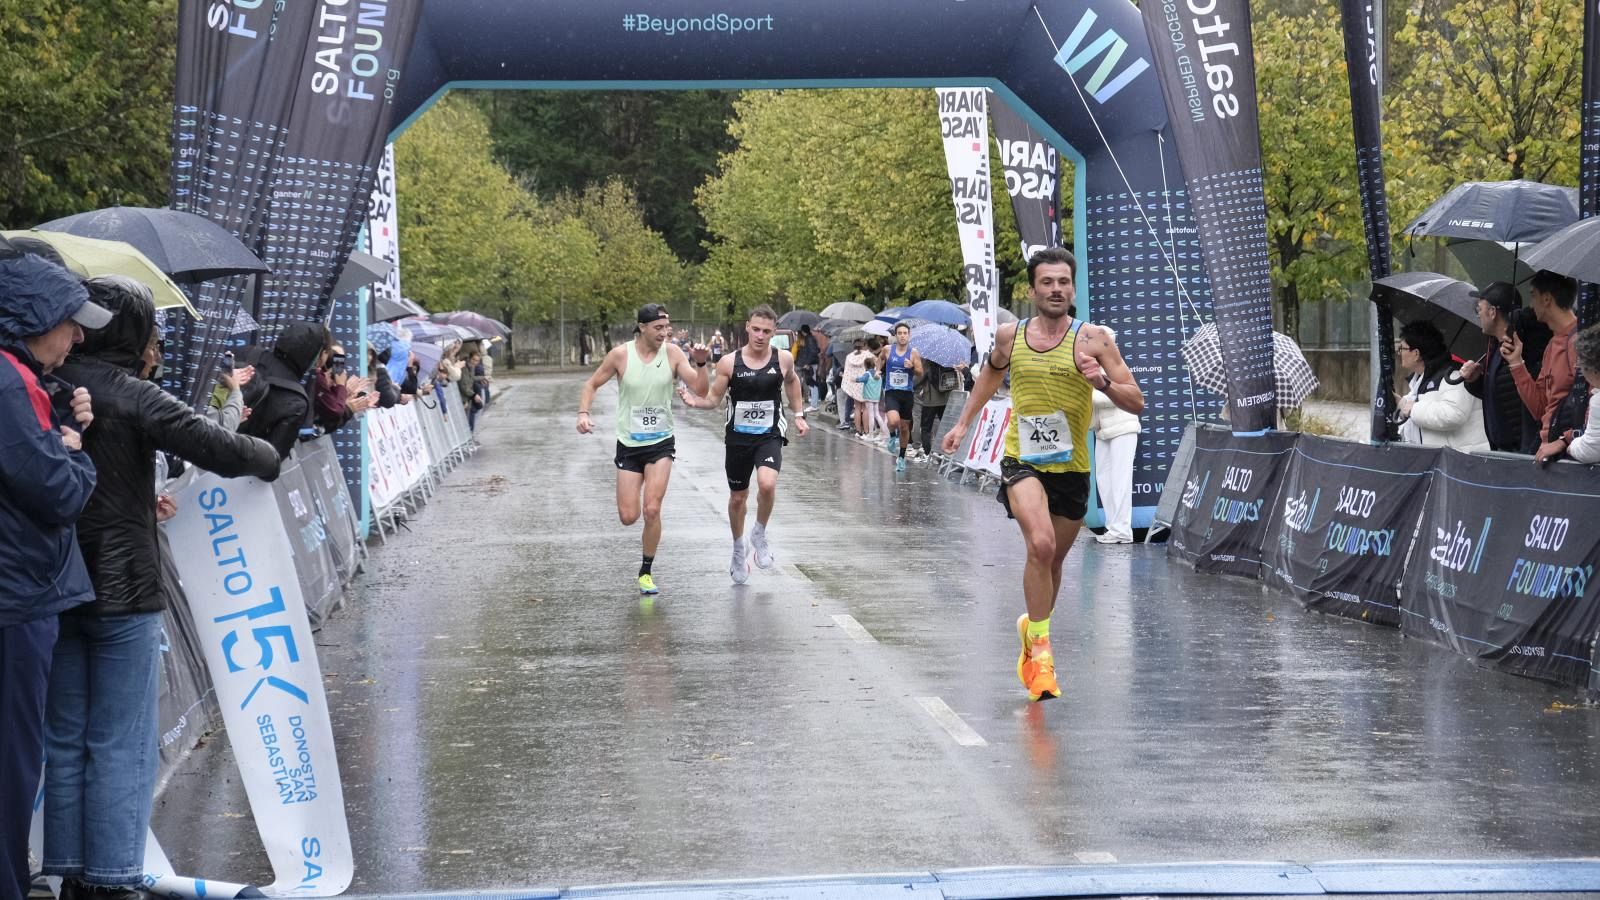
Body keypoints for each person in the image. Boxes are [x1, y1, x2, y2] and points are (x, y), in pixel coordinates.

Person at [46, 276, 280, 900]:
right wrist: (268, 454)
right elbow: (224, 448)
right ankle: (114, 877)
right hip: (124, 586)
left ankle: (67, 872)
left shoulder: (45, 386)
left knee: (67, 735)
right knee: (122, 738)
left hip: (58, 581)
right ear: (133, 332)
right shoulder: (134, 394)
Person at [941, 248, 1143, 702]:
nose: (1056, 289)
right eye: (1047, 282)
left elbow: (1137, 401)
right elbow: (990, 378)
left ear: (1073, 289)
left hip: (1071, 467)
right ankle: (1043, 657)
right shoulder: (1010, 337)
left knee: (1051, 565)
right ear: (1031, 290)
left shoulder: (1093, 340)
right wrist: (962, 424)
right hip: (1022, 460)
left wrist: (1102, 384)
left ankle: (1031, 633)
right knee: (1042, 544)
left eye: (1064, 282)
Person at [0, 251, 104, 900]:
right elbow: (58, 492)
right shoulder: (10, 383)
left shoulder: (21, 379)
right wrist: (74, 449)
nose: (78, 336)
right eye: (69, 321)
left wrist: (62, 427)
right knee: (12, 766)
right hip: (15, 600)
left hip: (17, 593)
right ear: (33, 317)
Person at [577, 303, 710, 595]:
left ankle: (646, 571)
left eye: (667, 327)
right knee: (629, 516)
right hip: (629, 443)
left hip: (661, 441)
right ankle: (641, 536)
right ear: (642, 327)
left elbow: (700, 389)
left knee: (652, 509)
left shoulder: (673, 353)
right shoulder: (620, 355)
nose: (665, 333)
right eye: (658, 328)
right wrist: (583, 413)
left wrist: (701, 364)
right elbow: (591, 384)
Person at [678, 306, 809, 583]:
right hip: (738, 437)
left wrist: (798, 414)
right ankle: (739, 548)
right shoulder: (729, 362)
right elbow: (713, 399)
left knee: (767, 484)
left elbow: (792, 382)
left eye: (767, 331)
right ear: (747, 327)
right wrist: (695, 402)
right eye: (756, 329)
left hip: (769, 434)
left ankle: (759, 533)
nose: (761, 336)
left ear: (774, 333)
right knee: (738, 498)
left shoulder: (782, 359)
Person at [1458, 282, 1540, 452]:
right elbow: (1499, 394)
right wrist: (1475, 381)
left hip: (1520, 452)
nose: (1478, 315)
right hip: (1502, 450)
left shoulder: (1521, 347)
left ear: (1493, 312)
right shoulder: (1495, 347)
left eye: (1479, 309)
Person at [1505, 270, 1579, 444]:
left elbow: (1594, 402)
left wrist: (1565, 441)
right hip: (1549, 450)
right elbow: (1539, 408)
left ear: (1546, 299)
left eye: (1533, 296)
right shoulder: (1552, 345)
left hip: (1571, 457)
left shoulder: (1580, 342)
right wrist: (1516, 363)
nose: (1531, 305)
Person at [237, 321, 329, 458]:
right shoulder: (297, 400)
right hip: (230, 467)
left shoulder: (248, 352)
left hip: (199, 438)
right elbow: (271, 462)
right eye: (324, 354)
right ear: (314, 355)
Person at [1394, 321, 1487, 451]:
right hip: (1444, 462)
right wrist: (1400, 403)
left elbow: (1454, 414)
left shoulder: (1454, 375)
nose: (1399, 353)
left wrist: (1413, 410)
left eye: (1401, 349)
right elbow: (1422, 403)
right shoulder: (1421, 380)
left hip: (1461, 462)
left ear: (1416, 353)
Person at [1090, 328, 1141, 544]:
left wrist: (1089, 393)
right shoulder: (1095, 367)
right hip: (1103, 430)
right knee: (1104, 480)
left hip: (1123, 428)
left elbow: (1119, 396)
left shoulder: (1117, 366)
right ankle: (1113, 527)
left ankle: (1122, 530)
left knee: (1120, 480)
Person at [1544, 324, 1600, 464]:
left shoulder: (1598, 401)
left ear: (1594, 371)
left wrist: (1571, 447)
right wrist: (1566, 439)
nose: (1578, 368)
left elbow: (1590, 450)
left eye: (1580, 365)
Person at [877, 322, 924, 472]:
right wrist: (877, 371)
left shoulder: (913, 352)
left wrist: (912, 367)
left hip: (907, 394)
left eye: (905, 333)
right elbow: (880, 360)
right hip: (891, 392)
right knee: (893, 420)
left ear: (909, 335)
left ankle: (901, 457)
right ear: (896, 335)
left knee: (904, 428)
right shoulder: (887, 349)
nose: (902, 336)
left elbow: (920, 372)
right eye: (900, 333)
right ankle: (891, 436)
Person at [914, 359, 961, 458]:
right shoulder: (949, 360)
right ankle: (946, 452)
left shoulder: (928, 361)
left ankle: (927, 453)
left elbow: (920, 378)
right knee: (946, 426)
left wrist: (912, 385)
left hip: (930, 400)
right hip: (946, 398)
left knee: (926, 428)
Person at [839, 338, 872, 432]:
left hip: (854, 385)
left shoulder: (849, 357)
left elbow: (846, 372)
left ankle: (858, 430)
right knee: (865, 408)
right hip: (866, 384)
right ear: (864, 345)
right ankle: (866, 431)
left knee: (857, 407)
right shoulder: (868, 355)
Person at [794, 323, 821, 411]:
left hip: (811, 364)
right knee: (811, 383)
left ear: (803, 331)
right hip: (811, 363)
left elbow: (812, 352)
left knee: (812, 383)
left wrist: (807, 363)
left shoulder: (809, 339)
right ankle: (814, 403)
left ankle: (814, 405)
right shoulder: (810, 338)